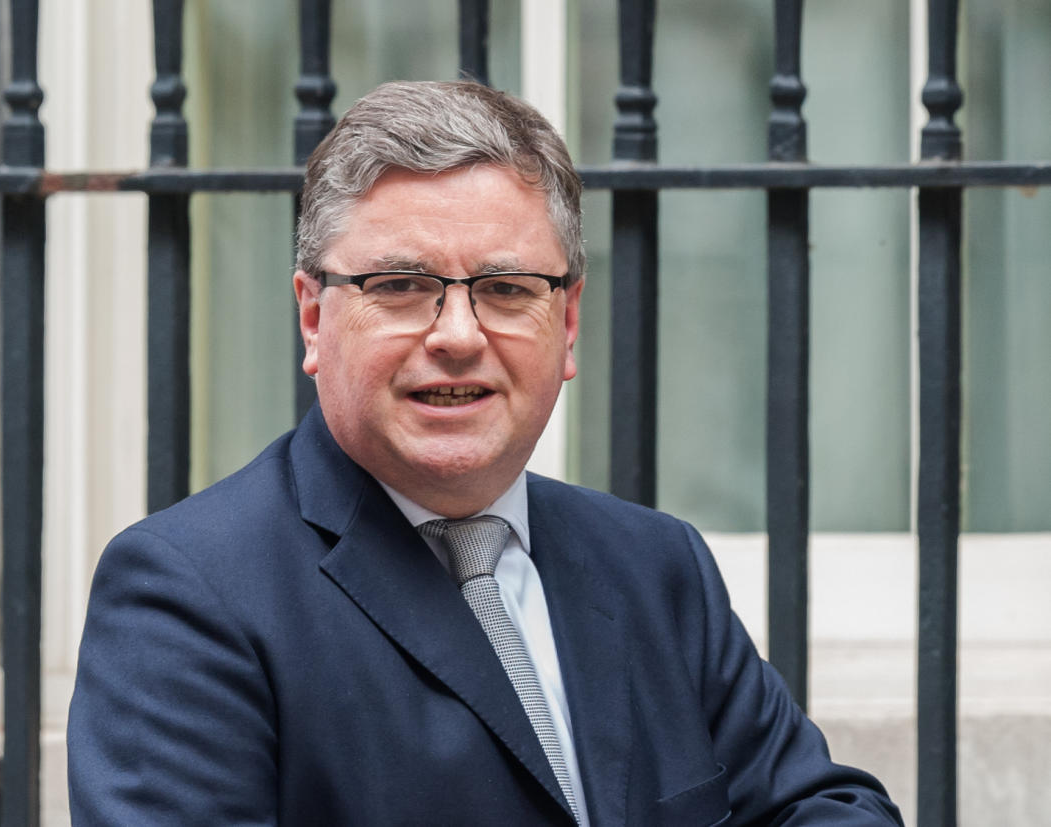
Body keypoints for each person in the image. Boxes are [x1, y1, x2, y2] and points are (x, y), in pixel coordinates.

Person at [67, 80, 902, 826]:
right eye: (400, 286)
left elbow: (830, 807)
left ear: (568, 322)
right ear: (314, 318)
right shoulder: (188, 597)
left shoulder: (655, 565)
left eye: (505, 289)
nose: (459, 336)